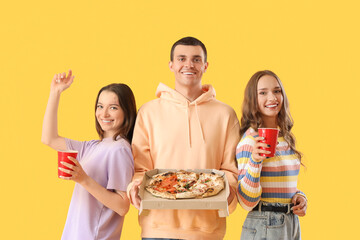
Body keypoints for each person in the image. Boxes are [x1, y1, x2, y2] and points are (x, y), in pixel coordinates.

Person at [127, 37, 240, 240]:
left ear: (205, 66)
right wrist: (135, 187)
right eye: (181, 59)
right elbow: (139, 169)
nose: (189, 65)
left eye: (196, 59)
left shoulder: (226, 114)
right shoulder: (148, 112)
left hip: (207, 232)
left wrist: (230, 192)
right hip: (156, 229)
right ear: (171, 65)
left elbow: (230, 170)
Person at [41, 70, 136, 240]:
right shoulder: (93, 146)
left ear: (126, 111)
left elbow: (122, 206)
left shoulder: (120, 149)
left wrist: (83, 179)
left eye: (113, 107)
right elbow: (49, 138)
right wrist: (55, 92)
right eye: (100, 106)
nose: (104, 114)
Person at [236, 70, 307, 240]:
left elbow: (281, 183)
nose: (272, 98)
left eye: (277, 91)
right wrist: (255, 161)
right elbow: (246, 201)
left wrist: (299, 197)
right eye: (263, 93)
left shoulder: (285, 138)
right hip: (264, 224)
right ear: (253, 100)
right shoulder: (250, 141)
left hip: (291, 223)